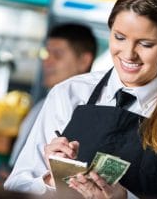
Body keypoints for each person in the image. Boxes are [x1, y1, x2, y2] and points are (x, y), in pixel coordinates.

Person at [5, 0, 157, 198]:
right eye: (119, 37)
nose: (129, 54)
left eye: (145, 44)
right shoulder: (69, 94)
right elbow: (16, 186)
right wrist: (51, 180)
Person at [7, 23, 97, 168]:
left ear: (84, 61)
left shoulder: (89, 114)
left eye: (57, 55)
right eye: (46, 54)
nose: (47, 62)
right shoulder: (41, 105)